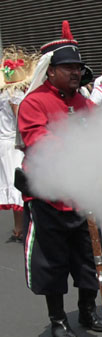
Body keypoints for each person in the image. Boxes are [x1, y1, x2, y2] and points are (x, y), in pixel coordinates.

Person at [17, 20, 102, 337]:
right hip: (49, 196)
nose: (75, 72)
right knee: (53, 261)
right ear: (51, 71)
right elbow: (37, 139)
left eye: (77, 67)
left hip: (82, 194)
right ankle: (58, 318)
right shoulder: (34, 102)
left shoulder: (85, 104)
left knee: (90, 256)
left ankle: (87, 310)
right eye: (67, 67)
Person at [0, 47, 37, 243]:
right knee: (20, 183)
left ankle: (18, 228)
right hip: (14, 143)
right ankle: (24, 227)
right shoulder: (14, 95)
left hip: (5, 142)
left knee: (15, 183)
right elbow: (20, 118)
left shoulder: (4, 94)